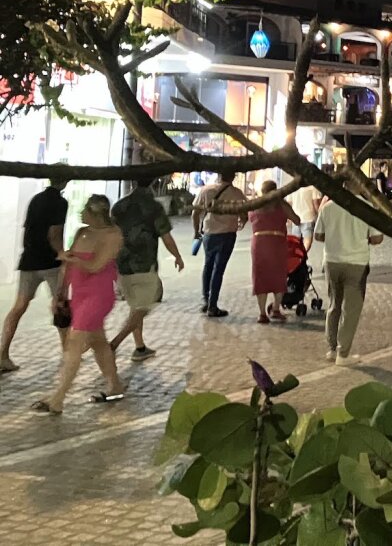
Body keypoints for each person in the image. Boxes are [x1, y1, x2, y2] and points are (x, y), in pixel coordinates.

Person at [30, 195, 125, 413]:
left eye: (85, 210)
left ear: (96, 213)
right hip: (79, 295)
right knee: (99, 341)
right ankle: (115, 385)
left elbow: (96, 265)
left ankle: (58, 398)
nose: (82, 213)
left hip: (98, 296)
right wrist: (60, 293)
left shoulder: (113, 235)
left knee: (75, 341)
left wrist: (73, 258)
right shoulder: (82, 232)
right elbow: (66, 265)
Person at [109, 183, 184, 361]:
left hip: (122, 264)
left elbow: (112, 234)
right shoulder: (154, 207)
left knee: (135, 306)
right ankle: (114, 343)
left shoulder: (119, 206)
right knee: (145, 305)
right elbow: (166, 236)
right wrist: (177, 256)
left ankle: (140, 347)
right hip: (144, 264)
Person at [0, 180, 69, 372]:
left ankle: (3, 354)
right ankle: (68, 354)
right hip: (50, 262)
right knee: (61, 305)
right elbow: (54, 233)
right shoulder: (60, 203)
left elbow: (27, 230)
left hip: (29, 260)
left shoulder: (36, 199)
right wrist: (62, 254)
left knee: (19, 307)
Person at [314, 195, 384, 364]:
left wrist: (334, 236)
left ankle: (331, 348)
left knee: (333, 304)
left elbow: (318, 235)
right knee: (351, 309)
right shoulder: (366, 207)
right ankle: (342, 353)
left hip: (332, 261)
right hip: (356, 263)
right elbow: (377, 238)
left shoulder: (328, 207)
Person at [192, 170, 246, 318]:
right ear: (233, 176)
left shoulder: (205, 190)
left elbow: (195, 213)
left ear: (219, 175)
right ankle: (212, 305)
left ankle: (206, 299)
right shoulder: (237, 193)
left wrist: (196, 231)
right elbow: (244, 213)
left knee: (208, 265)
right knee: (219, 269)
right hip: (228, 234)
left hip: (209, 233)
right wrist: (242, 222)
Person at [250, 180, 300, 324]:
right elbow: (296, 220)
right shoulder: (281, 205)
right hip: (277, 241)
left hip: (259, 242)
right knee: (279, 275)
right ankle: (276, 309)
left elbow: (249, 218)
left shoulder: (255, 204)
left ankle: (261, 313)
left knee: (260, 275)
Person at [288, 186, 321, 260]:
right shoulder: (313, 188)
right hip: (308, 217)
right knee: (307, 239)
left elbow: (289, 203)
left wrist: (289, 217)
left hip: (295, 217)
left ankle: (297, 257)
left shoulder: (293, 188)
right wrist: (319, 215)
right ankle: (302, 255)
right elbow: (316, 203)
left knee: (296, 240)